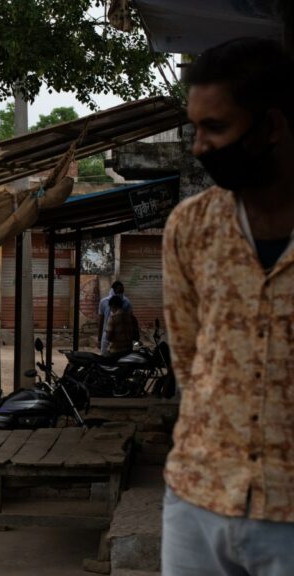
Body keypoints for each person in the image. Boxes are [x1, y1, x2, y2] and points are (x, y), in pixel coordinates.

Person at [161, 38, 294, 575]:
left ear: (273, 125)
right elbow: (188, 358)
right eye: (195, 129)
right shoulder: (190, 227)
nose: (199, 147)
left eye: (216, 129)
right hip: (196, 498)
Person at [97, 280, 132, 355]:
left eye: (122, 292)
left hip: (122, 338)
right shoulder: (103, 302)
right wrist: (99, 339)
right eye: (118, 291)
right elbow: (101, 321)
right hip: (106, 335)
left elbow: (131, 321)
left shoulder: (127, 302)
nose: (120, 294)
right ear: (112, 290)